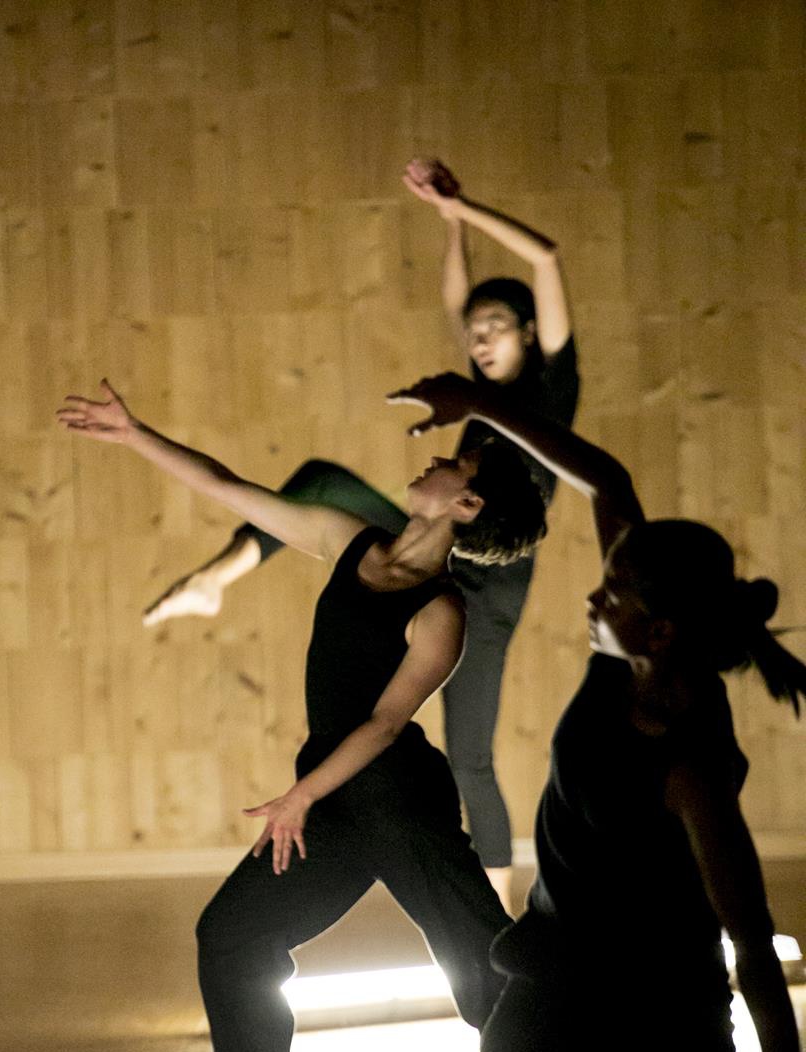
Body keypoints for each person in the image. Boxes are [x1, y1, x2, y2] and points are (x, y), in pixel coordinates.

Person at [391, 372, 806, 1052]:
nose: (594, 589)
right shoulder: (628, 645)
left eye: (612, 589)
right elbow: (608, 476)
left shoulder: (686, 759)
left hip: (661, 1006)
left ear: (658, 628)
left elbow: (753, 940)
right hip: (553, 982)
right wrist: (478, 403)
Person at [57, 379, 546, 1052]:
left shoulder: (442, 612)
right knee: (233, 931)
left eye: (456, 465)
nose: (435, 460)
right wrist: (134, 434)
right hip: (333, 795)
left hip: (398, 802)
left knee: (477, 954)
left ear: (467, 504)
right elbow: (229, 488)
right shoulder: (349, 541)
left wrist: (299, 797)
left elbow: (386, 724)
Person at [142, 158, 579, 913]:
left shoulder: (550, 391)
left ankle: (502, 914)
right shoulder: (475, 397)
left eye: (496, 328)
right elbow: (456, 301)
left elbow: (544, 257)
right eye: (473, 331)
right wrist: (447, 223)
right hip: (431, 544)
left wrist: (467, 208)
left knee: (470, 754)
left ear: (532, 333)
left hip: (487, 583)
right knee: (320, 481)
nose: (478, 338)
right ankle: (216, 578)